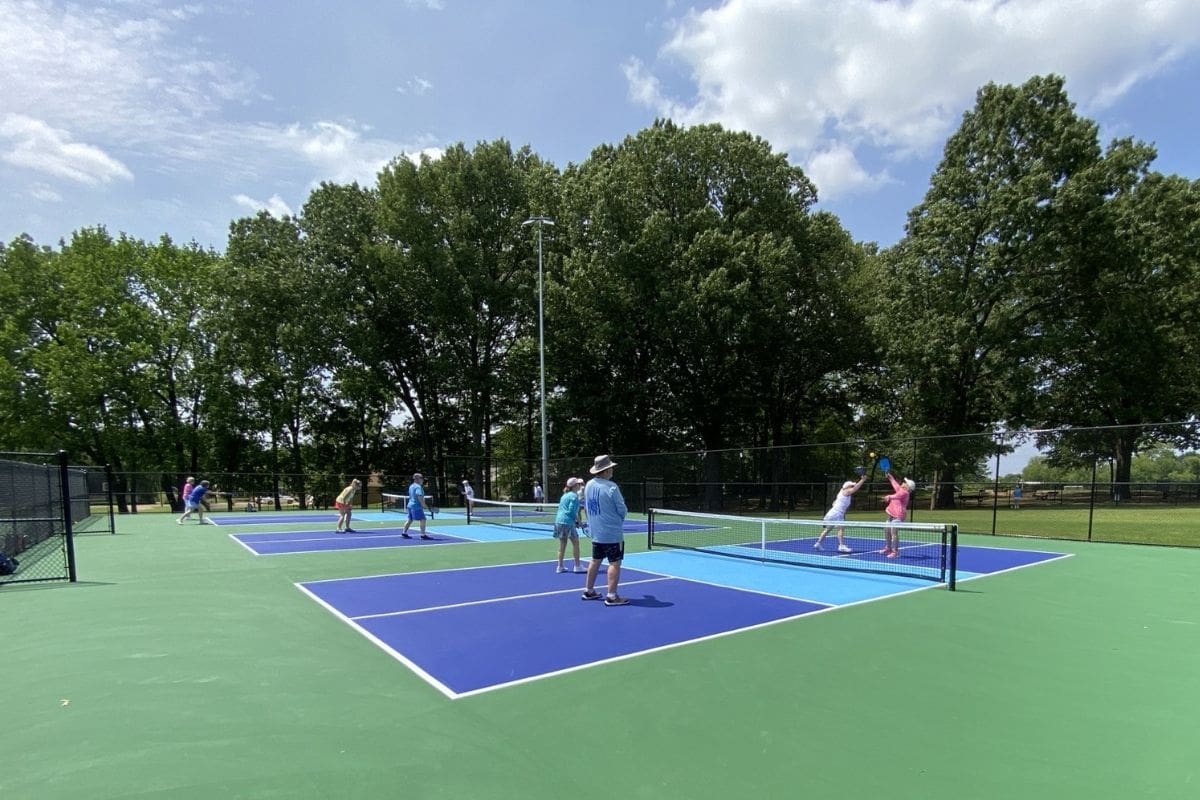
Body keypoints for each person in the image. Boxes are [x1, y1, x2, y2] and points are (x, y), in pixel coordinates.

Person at [582, 455, 629, 606]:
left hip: (596, 532)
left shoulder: (589, 485)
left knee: (595, 560)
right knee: (614, 563)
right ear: (606, 470)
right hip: (612, 533)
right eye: (611, 467)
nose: (613, 469)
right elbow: (622, 509)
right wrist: (618, 520)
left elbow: (587, 506)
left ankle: (589, 591)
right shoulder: (612, 487)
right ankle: (612, 596)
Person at [814, 475, 867, 553]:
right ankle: (841, 546)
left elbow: (834, 503)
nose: (853, 486)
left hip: (833, 512)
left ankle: (818, 543)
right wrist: (863, 480)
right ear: (847, 487)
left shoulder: (841, 492)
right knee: (841, 529)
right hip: (837, 513)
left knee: (828, 529)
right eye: (851, 485)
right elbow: (855, 488)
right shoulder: (846, 491)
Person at [879, 472, 915, 558]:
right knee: (887, 531)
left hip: (898, 516)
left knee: (893, 533)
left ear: (907, 486)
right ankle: (888, 548)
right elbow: (895, 484)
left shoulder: (905, 493)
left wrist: (889, 497)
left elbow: (897, 496)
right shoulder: (901, 489)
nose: (903, 482)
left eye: (905, 482)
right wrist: (890, 477)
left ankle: (895, 552)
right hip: (891, 515)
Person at [554, 477, 586, 574]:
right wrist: (578, 522)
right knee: (576, 543)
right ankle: (577, 566)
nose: (580, 486)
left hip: (559, 521)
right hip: (567, 522)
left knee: (562, 544)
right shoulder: (574, 496)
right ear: (575, 486)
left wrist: (578, 522)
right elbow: (572, 511)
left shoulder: (564, 495)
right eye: (578, 484)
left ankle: (560, 566)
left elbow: (570, 511)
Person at [402, 472, 432, 540]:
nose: (423, 480)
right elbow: (419, 496)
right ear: (417, 479)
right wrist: (423, 505)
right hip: (416, 506)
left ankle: (404, 532)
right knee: (423, 519)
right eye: (421, 478)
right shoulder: (418, 487)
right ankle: (423, 535)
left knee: (410, 519)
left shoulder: (411, 486)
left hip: (410, 505)